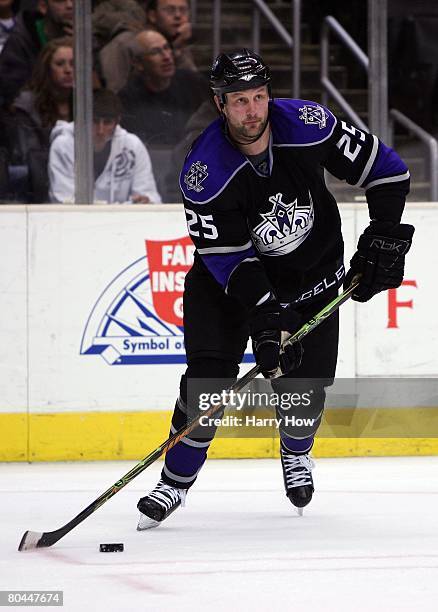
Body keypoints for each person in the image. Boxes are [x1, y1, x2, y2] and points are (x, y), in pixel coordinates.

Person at [135, 49, 414, 529]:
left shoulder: (309, 124)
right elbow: (230, 261)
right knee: (207, 385)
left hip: (311, 278)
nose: (252, 111)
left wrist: (382, 233)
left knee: (305, 389)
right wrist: (266, 319)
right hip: (226, 289)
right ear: (220, 104)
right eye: (239, 101)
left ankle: (296, 451)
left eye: (259, 97)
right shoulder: (204, 172)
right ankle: (174, 481)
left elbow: (387, 172)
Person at [48, 88, 161, 203]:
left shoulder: (133, 146)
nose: (100, 130)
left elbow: (149, 194)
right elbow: (64, 200)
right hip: (77, 219)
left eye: (107, 122)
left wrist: (145, 201)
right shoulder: (63, 146)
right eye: (95, 121)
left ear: (117, 122)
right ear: (82, 120)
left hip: (125, 219)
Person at [118, 28, 206, 145]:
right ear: (138, 63)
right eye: (155, 52)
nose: (166, 57)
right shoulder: (127, 99)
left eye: (167, 48)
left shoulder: (193, 83)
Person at [6, 36, 73, 165]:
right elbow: (29, 157)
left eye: (73, 64)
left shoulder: (89, 101)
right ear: (47, 69)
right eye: (60, 64)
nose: (68, 70)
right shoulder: (27, 106)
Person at [0, 0, 74, 107]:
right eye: (60, 1)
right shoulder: (21, 39)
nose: (70, 5)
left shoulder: (84, 36)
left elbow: (96, 91)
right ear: (43, 6)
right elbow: (13, 97)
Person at [145, 0, 196, 71]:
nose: (178, 15)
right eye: (170, 10)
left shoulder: (179, 40)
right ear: (152, 16)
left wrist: (178, 48)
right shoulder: (140, 44)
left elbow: (191, 79)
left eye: (183, 10)